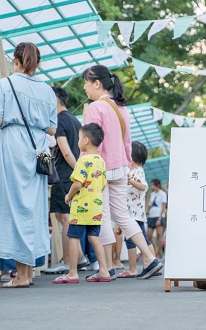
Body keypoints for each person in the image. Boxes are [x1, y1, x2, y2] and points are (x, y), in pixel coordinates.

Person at [0, 42, 57, 288]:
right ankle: (25, 273)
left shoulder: (5, 84)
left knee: (11, 207)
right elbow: (52, 127)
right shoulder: (48, 90)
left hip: (12, 148)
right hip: (37, 150)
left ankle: (21, 275)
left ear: (16, 60)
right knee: (31, 208)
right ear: (36, 64)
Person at [82, 65, 163, 279]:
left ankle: (105, 268)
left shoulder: (95, 107)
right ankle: (149, 257)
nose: (84, 88)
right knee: (123, 216)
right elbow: (127, 141)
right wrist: (126, 165)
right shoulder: (121, 108)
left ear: (96, 83)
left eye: (86, 83)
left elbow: (91, 143)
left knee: (104, 217)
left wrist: (84, 170)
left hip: (101, 169)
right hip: (120, 168)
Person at [53, 123, 111, 284]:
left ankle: (72, 272)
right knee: (94, 237)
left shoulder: (83, 160)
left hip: (81, 207)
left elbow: (78, 183)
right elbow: (103, 184)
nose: (77, 142)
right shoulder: (101, 161)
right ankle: (104, 270)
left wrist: (69, 195)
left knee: (73, 237)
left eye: (79, 139)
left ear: (86, 140)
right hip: (96, 207)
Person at [44, 86, 89, 274]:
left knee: (64, 217)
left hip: (64, 174)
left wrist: (77, 170)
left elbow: (65, 150)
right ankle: (79, 257)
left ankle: (67, 260)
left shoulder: (59, 120)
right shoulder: (75, 120)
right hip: (72, 175)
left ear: (55, 99)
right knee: (66, 217)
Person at [118, 141, 156, 278]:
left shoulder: (137, 171)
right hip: (135, 213)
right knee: (144, 239)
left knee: (131, 240)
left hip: (134, 213)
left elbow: (143, 187)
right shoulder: (133, 171)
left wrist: (131, 181)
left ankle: (133, 268)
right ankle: (153, 263)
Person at [147, 179, 167, 258]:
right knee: (149, 235)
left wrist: (159, 218)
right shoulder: (152, 194)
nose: (152, 187)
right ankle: (154, 251)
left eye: (153, 185)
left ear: (157, 185)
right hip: (151, 215)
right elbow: (149, 204)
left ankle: (159, 253)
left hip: (159, 216)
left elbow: (163, 206)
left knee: (159, 235)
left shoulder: (163, 194)